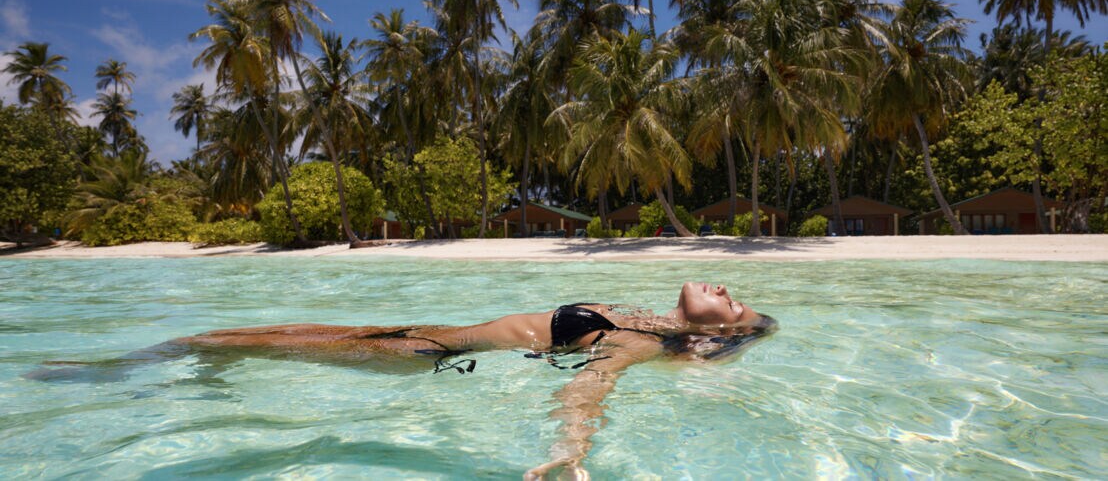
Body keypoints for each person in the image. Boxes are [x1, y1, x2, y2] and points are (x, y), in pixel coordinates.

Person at [29, 282, 777, 479]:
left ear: (718, 333)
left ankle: (101, 373)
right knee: (261, 338)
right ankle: (186, 372)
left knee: (244, 339)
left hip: (423, 356)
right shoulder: (645, 319)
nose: (723, 288)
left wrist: (570, 452)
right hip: (429, 335)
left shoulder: (637, 345)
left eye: (734, 304)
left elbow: (589, 387)